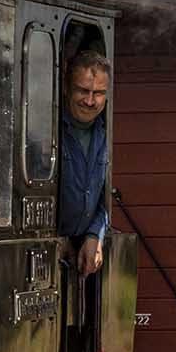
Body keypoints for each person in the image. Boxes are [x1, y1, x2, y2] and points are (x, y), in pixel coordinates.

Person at [58, 50, 111, 278]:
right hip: (54, 249)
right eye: (83, 91)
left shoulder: (105, 132)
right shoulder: (49, 130)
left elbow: (105, 198)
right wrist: (53, 237)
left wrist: (94, 234)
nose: (90, 101)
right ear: (66, 88)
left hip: (81, 254)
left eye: (98, 93)